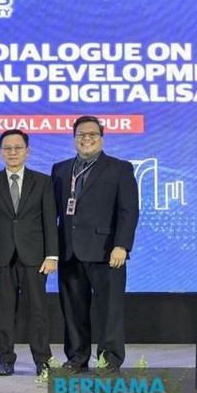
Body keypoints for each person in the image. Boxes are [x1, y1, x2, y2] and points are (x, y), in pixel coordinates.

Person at [51, 115, 139, 370]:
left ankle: (109, 359)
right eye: (81, 135)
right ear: (74, 138)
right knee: (73, 310)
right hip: (69, 251)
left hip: (107, 251)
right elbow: (52, 212)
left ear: (101, 138)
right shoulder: (60, 169)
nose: (86, 139)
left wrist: (122, 245)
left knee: (109, 311)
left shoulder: (119, 168)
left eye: (92, 134)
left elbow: (128, 210)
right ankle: (77, 358)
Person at [0, 129, 58, 376]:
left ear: (27, 151)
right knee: (4, 313)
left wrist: (52, 255)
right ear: (1, 152)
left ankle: (43, 361)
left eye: (17, 148)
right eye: (7, 148)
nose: (12, 152)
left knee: (38, 312)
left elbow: (49, 221)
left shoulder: (43, 181)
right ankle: (6, 360)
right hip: (1, 259)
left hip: (35, 257)